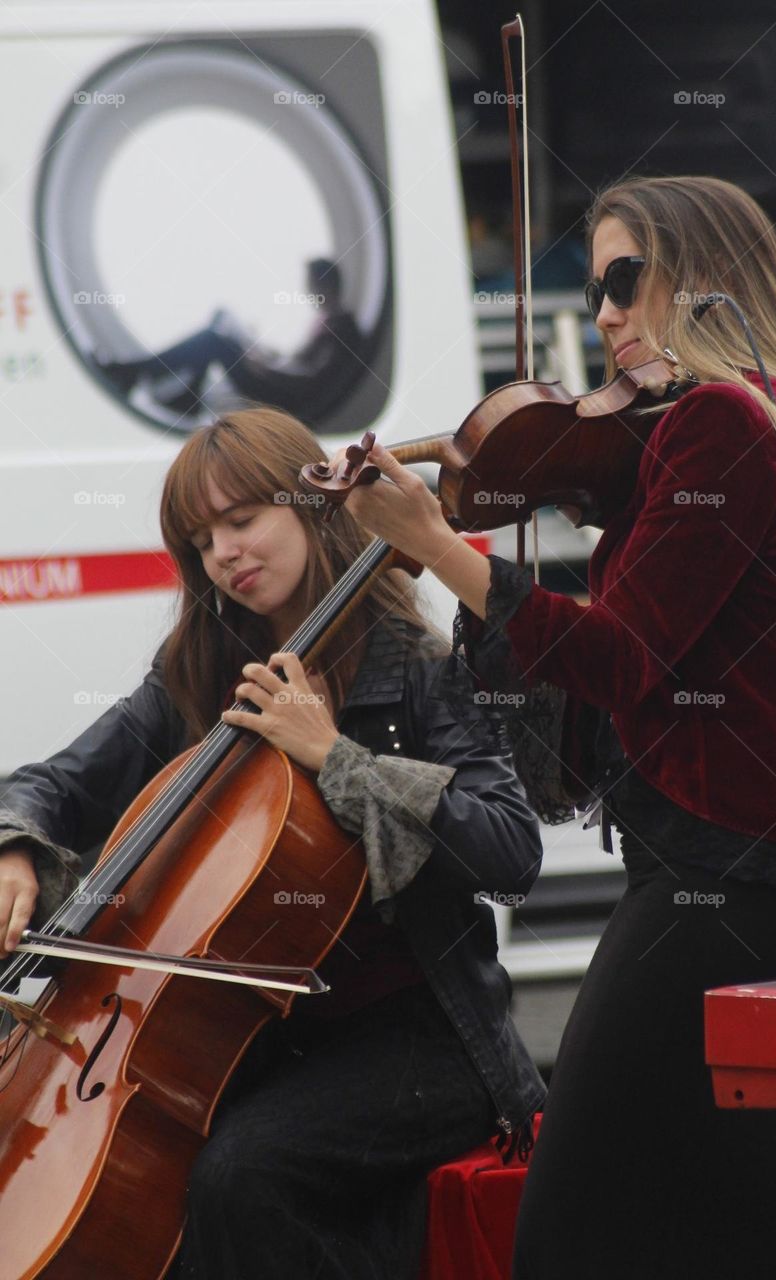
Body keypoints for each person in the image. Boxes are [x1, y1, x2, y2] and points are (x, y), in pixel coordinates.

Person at [341, 175, 776, 1278]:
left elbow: (619, 659)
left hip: (716, 890)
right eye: (596, 288)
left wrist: (436, 544)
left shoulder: (725, 422)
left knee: (572, 1225)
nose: (605, 313)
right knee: (765, 1224)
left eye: (627, 280)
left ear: (707, 279)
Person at [0, 407, 545, 1279]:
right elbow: (51, 784)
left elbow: (510, 852)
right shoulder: (197, 674)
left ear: (313, 508)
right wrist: (14, 850)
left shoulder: (415, 667)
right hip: (262, 1042)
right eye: (201, 536)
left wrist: (336, 757)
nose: (224, 551)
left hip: (421, 1040)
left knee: (241, 1179)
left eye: (243, 519)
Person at [95, 258, 364, 421]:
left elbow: (311, 380)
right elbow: (300, 362)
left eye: (310, 284)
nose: (307, 291)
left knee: (214, 341)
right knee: (222, 317)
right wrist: (266, 353)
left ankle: (136, 372)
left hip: (281, 396)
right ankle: (184, 394)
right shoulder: (328, 320)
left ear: (324, 284)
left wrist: (264, 367)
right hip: (277, 379)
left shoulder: (342, 326)